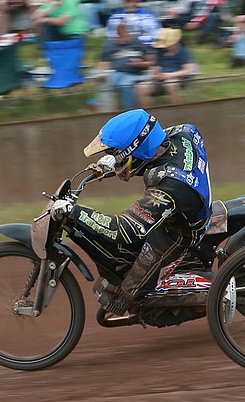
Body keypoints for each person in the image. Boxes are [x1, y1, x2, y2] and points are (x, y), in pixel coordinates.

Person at [49, 108, 212, 320]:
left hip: (178, 233)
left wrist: (75, 212)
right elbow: (151, 141)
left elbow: (125, 230)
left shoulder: (169, 184)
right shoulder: (184, 133)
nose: (113, 158)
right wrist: (116, 161)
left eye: (115, 153)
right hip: (185, 210)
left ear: (135, 151)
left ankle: (217, 287)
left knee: (133, 292)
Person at [95, 19, 152, 110]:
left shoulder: (137, 42)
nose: (123, 38)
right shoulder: (111, 45)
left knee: (125, 84)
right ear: (117, 34)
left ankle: (129, 111)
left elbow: (151, 62)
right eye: (120, 33)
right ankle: (108, 112)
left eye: (125, 33)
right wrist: (102, 73)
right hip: (116, 73)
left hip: (136, 73)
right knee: (106, 84)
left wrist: (141, 64)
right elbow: (104, 64)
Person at [136, 27, 198, 106]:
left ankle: (178, 109)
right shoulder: (160, 51)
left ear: (175, 43)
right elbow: (156, 66)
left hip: (178, 78)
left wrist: (169, 75)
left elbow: (188, 70)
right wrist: (155, 74)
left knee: (170, 84)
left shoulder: (183, 51)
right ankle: (148, 111)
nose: (164, 47)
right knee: (141, 87)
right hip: (161, 78)